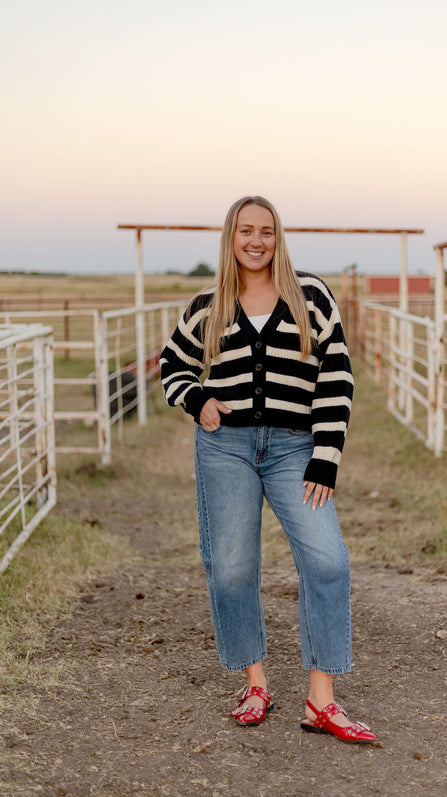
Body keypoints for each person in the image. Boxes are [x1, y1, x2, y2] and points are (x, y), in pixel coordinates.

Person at [160, 196, 377, 744]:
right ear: (230, 238)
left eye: (266, 231)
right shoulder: (207, 304)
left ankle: (321, 701)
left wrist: (325, 458)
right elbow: (173, 365)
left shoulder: (311, 296)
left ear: (278, 238)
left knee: (327, 559)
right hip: (224, 447)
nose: (255, 241)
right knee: (231, 566)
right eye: (244, 231)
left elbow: (336, 378)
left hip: (294, 448)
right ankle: (255, 682)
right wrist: (197, 399)